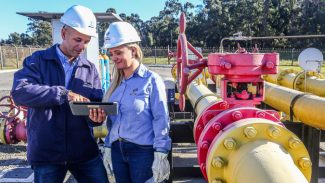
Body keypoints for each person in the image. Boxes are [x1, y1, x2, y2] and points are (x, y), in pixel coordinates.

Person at [11, 5, 109, 183]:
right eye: (78, 40)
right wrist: (64, 94)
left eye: (87, 41)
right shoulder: (38, 61)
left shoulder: (89, 68)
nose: (82, 46)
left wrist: (96, 117)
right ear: (64, 34)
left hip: (84, 152)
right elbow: (20, 92)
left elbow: (94, 104)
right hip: (48, 154)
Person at [90, 21, 172, 183]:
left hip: (142, 152)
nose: (114, 58)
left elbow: (161, 118)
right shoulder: (115, 85)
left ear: (133, 50)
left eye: (118, 53)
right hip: (117, 151)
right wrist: (107, 145)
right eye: (111, 53)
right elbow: (113, 122)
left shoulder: (151, 80)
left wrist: (161, 152)